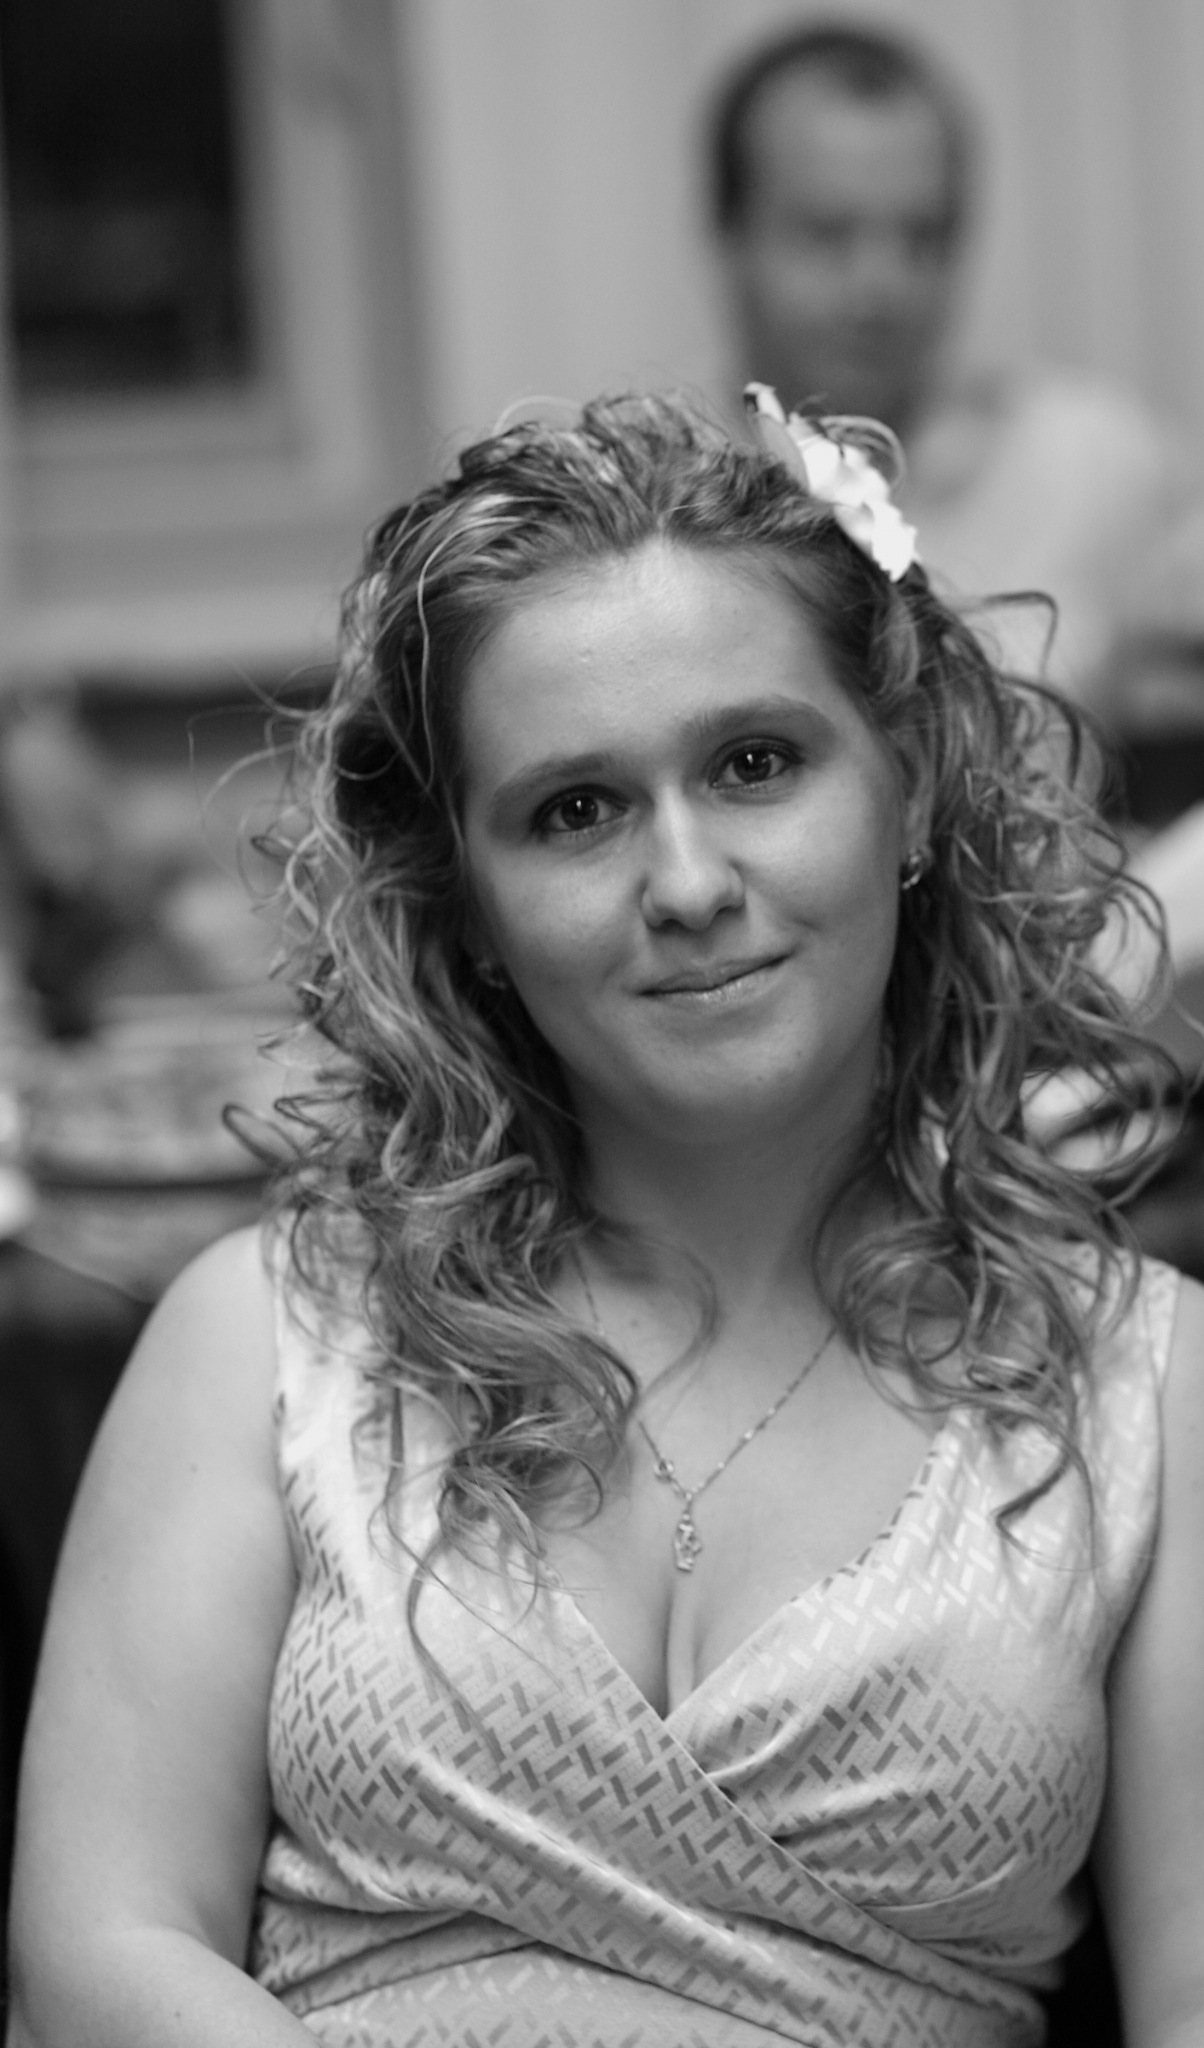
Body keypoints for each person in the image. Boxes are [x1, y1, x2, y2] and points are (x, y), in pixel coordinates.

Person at [6, 384, 1204, 2048]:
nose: (689, 882)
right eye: (575, 810)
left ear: (912, 787)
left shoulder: (1146, 1384)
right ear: (470, 907)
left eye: (756, 763)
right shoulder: (265, 1335)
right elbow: (95, 1951)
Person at [709, 20, 1184, 705]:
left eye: (924, 236)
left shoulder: (1095, 463)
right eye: (827, 234)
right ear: (731, 236)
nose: (881, 285)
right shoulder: (657, 505)